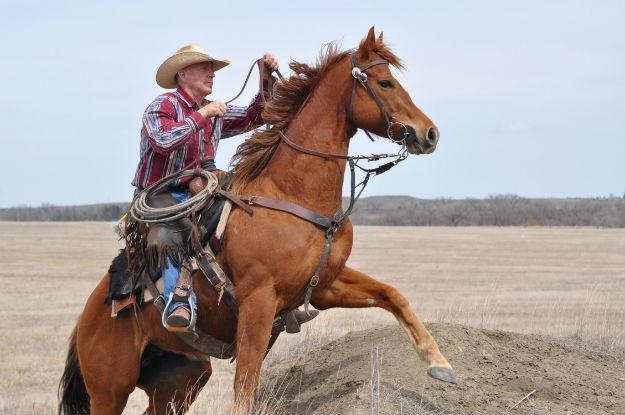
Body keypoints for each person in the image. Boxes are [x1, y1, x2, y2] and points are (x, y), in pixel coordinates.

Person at [132, 44, 317, 331]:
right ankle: (179, 301)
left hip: (201, 189)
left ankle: (278, 299)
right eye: (205, 68)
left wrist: (265, 78)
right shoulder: (163, 106)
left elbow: (257, 115)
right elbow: (162, 141)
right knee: (173, 227)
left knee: (249, 214)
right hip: (160, 192)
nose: (212, 74)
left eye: (213, 69)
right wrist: (202, 115)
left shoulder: (213, 112)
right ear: (182, 73)